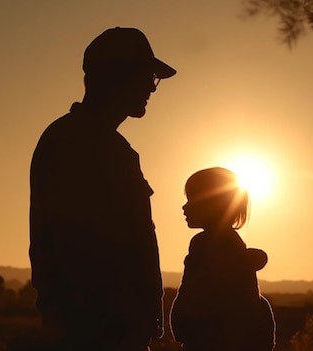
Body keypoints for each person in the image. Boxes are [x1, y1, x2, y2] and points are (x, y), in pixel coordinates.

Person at [29, 27, 176, 350]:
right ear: (116, 77)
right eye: (146, 77)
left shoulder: (109, 146)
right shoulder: (75, 143)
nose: (151, 89)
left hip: (114, 326)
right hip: (96, 330)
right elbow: (76, 246)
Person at [170, 167, 276, 351]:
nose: (184, 207)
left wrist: (183, 324)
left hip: (211, 340)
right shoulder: (232, 245)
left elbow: (196, 294)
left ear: (213, 204)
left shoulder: (204, 244)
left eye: (192, 200)